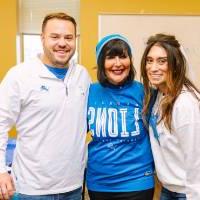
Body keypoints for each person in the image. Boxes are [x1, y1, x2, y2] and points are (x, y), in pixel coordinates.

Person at [0, 12, 90, 200]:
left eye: (68, 37)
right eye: (55, 37)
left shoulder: (82, 76)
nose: (62, 43)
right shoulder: (20, 76)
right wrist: (1, 171)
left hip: (73, 187)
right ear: (42, 39)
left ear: (75, 40)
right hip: (31, 190)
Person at [87, 34, 155, 200]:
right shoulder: (89, 92)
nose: (118, 63)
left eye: (123, 56)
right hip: (99, 183)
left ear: (130, 61)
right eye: (110, 57)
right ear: (101, 63)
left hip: (138, 181)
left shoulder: (144, 92)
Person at [140, 33, 200, 200]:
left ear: (175, 64)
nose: (153, 68)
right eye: (149, 60)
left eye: (162, 61)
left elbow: (196, 161)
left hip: (186, 193)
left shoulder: (185, 103)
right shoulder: (159, 95)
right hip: (168, 190)